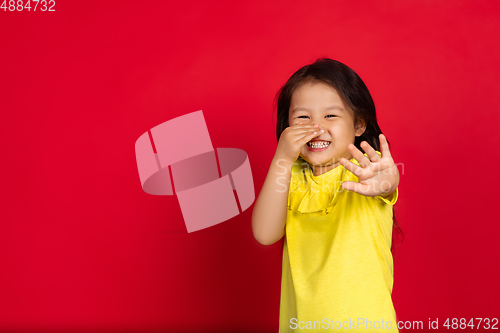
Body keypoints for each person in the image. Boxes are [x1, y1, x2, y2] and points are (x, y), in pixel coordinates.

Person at [252, 58, 402, 332]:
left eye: (330, 116)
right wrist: (282, 157)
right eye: (302, 117)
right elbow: (264, 233)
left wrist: (386, 181)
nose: (316, 126)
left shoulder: (364, 169)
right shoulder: (291, 174)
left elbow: (386, 181)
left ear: (358, 125)